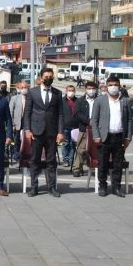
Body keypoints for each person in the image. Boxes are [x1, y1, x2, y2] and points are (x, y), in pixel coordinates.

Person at [23, 68, 64, 197]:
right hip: (36, 131)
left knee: (51, 161)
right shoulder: (32, 92)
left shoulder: (58, 93)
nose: (48, 78)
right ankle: (34, 187)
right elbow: (27, 113)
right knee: (35, 160)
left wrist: (60, 132)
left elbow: (61, 114)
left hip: (52, 132)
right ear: (41, 78)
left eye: (51, 76)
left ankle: (52, 187)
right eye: (46, 76)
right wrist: (27, 130)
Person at [91, 76, 132, 197]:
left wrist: (128, 137)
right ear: (106, 86)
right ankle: (102, 186)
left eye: (115, 84)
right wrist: (96, 136)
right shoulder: (100, 100)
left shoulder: (125, 100)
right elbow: (94, 120)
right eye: (110, 85)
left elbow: (129, 119)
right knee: (102, 163)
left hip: (119, 136)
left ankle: (116, 187)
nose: (113, 87)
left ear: (119, 85)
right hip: (104, 137)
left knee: (117, 164)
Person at [71, 81, 97, 177]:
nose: (91, 90)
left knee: (95, 149)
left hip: (96, 129)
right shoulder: (80, 101)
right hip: (84, 128)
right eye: (89, 88)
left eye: (93, 88)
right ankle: (77, 168)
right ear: (86, 89)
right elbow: (77, 114)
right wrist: (87, 121)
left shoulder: (99, 100)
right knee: (81, 149)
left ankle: (94, 167)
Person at [9, 81, 29, 161]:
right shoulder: (14, 98)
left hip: (28, 122)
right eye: (22, 88)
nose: (24, 89)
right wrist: (13, 123)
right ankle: (16, 155)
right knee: (17, 140)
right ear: (19, 89)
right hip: (18, 123)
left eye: (25, 87)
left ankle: (26, 155)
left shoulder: (31, 98)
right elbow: (11, 111)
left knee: (27, 140)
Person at [61, 85, 79, 166]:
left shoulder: (78, 101)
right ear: (66, 91)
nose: (70, 92)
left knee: (73, 144)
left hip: (75, 126)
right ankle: (65, 159)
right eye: (69, 90)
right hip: (65, 126)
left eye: (72, 90)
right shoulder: (62, 101)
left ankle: (71, 159)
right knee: (65, 143)